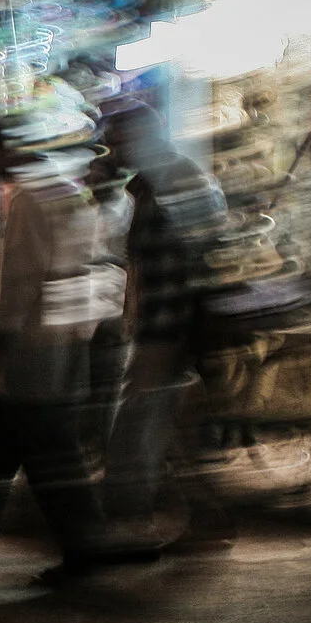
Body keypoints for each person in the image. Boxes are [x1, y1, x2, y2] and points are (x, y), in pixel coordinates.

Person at [0, 113, 120, 583]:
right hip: (68, 345)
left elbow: (21, 282)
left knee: (45, 457)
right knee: (38, 453)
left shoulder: (32, 200)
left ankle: (84, 549)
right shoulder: (74, 195)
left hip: (34, 351)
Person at [101, 103, 226, 544]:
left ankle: (130, 525)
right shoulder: (157, 180)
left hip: (171, 327)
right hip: (164, 325)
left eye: (119, 142)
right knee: (172, 429)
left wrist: (171, 333)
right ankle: (205, 521)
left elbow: (204, 258)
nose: (114, 153)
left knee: (143, 426)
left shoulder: (178, 180)